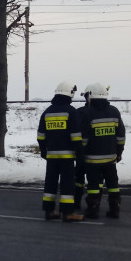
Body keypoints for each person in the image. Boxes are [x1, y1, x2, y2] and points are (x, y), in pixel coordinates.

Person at [37, 81, 84, 222]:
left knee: (50, 182)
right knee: (67, 184)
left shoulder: (47, 112)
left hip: (51, 156)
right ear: (69, 94)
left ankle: (49, 211)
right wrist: (79, 153)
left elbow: (41, 136)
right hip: (67, 157)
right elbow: (76, 136)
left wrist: (43, 151)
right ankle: (68, 213)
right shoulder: (71, 112)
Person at [79, 83, 126, 219]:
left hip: (92, 159)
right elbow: (121, 136)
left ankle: (93, 209)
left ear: (91, 96)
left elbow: (84, 138)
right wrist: (119, 152)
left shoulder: (88, 113)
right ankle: (115, 209)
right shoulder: (114, 111)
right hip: (111, 159)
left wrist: (81, 153)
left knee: (93, 186)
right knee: (113, 184)